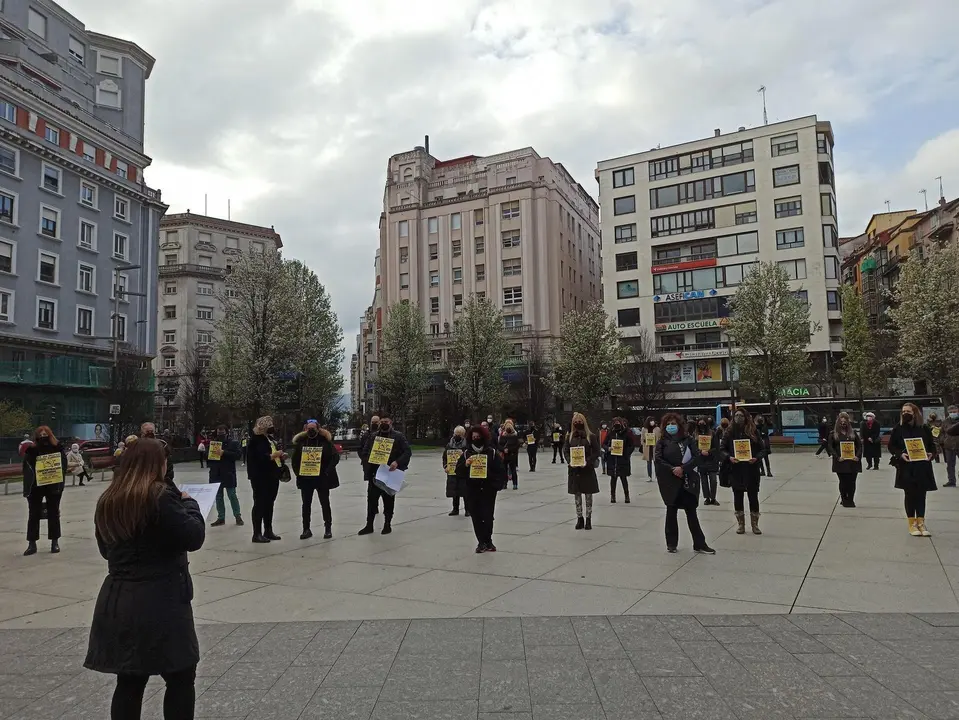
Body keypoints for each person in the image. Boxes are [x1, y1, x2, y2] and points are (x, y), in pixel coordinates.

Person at [84, 438, 205, 719]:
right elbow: (193, 536)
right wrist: (190, 505)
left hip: (119, 598)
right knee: (180, 675)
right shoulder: (159, 496)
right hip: (161, 599)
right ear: (157, 464)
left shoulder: (110, 498)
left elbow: (106, 550)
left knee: (129, 680)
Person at [654, 412, 715, 554]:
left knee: (691, 513)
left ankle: (699, 543)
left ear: (679, 425)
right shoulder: (662, 441)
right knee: (671, 512)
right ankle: (671, 543)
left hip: (687, 480)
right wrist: (672, 469)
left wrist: (683, 469)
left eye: (673, 424)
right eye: (668, 424)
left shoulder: (687, 439)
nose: (671, 426)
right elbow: (658, 459)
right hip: (670, 481)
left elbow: (697, 456)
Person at [889, 402, 937, 537]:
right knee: (910, 495)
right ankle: (912, 523)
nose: (905, 414)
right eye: (903, 411)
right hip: (906, 466)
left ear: (915, 413)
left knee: (921, 495)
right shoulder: (898, 429)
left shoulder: (924, 428)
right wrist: (900, 454)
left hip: (922, 466)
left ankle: (921, 522)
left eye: (908, 411)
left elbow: (932, 446)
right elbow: (891, 446)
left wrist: (931, 454)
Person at [455, 425, 506, 552]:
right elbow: (458, 471)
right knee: (476, 517)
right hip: (472, 490)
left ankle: (488, 540)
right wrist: (466, 464)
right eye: (474, 437)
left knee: (488, 517)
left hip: (488, 490)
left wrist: (494, 483)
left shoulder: (492, 453)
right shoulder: (466, 453)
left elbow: (500, 471)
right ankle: (481, 542)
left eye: (478, 437)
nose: (476, 439)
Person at [358, 417, 411, 535]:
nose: (383, 424)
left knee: (388, 500)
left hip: (390, 473)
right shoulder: (373, 436)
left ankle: (387, 524)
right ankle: (369, 525)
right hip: (375, 473)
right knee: (371, 501)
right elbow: (364, 451)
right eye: (381, 422)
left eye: (386, 422)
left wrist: (397, 462)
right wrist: (369, 461)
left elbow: (407, 452)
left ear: (391, 423)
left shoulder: (398, 436)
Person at [292, 419, 340, 540]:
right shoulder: (301, 442)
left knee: (325, 503)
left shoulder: (325, 441)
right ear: (305, 429)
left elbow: (335, 457)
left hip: (322, 478)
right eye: (309, 428)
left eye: (313, 428)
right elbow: (295, 460)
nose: (311, 430)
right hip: (306, 478)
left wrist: (327, 471)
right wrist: (298, 473)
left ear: (318, 429)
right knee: (306, 505)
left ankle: (328, 528)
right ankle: (306, 529)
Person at [721, 408, 765, 536]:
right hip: (736, 468)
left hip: (751, 468)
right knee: (738, 496)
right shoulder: (729, 432)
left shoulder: (753, 431)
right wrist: (729, 457)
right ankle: (741, 524)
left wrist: (756, 458)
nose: (738, 417)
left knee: (753, 496)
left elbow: (763, 449)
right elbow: (722, 449)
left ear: (746, 417)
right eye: (736, 415)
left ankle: (755, 524)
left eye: (741, 415)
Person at [23, 426, 66, 556]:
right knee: (33, 514)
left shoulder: (57, 447)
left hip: (53, 485)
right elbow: (26, 466)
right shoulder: (31, 449)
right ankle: (32, 543)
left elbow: (63, 464)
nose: (43, 436)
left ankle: (54, 542)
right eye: (40, 434)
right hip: (35, 486)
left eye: (45, 434)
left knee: (54, 513)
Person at [247, 416, 287, 543]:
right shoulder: (255, 440)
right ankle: (256, 533)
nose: (271, 428)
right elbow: (259, 458)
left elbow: (272, 454)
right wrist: (272, 456)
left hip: (272, 474)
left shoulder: (269, 439)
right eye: (269, 426)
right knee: (259, 503)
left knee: (270, 503)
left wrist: (280, 457)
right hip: (260, 476)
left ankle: (268, 530)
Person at [564, 412, 601, 530]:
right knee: (577, 495)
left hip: (587, 469)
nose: (577, 423)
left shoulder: (591, 436)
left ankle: (588, 518)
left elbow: (597, 451)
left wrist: (588, 461)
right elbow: (565, 451)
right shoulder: (569, 436)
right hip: (575, 470)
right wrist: (570, 461)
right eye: (575, 421)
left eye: (580, 421)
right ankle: (579, 518)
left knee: (588, 495)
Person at [208, 425, 243, 527]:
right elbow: (208, 457)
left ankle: (237, 516)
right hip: (216, 473)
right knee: (218, 497)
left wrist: (224, 452)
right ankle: (221, 517)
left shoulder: (233, 443)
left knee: (232, 495)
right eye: (219, 434)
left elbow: (237, 455)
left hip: (228, 473)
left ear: (226, 433)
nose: (220, 435)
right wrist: (209, 454)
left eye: (222, 433)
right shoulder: (213, 444)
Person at [828, 412, 863, 508]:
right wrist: (837, 456)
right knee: (843, 482)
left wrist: (858, 456)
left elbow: (859, 446)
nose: (843, 423)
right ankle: (844, 499)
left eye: (845, 421)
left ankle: (850, 499)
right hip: (840, 462)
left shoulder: (853, 433)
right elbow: (830, 447)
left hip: (853, 462)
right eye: (841, 421)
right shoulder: (833, 434)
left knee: (852, 482)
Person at [603, 417, 634, 503]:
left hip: (622, 459)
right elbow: (604, 444)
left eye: (618, 423)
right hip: (612, 459)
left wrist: (626, 453)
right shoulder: (610, 433)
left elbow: (631, 445)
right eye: (615, 423)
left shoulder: (626, 433)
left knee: (623, 478)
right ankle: (613, 496)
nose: (617, 424)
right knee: (613, 479)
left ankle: (627, 495)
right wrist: (608, 448)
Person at [443, 426, 469, 516]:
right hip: (452, 471)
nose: (457, 436)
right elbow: (445, 457)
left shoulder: (467, 445)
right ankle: (455, 508)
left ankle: (467, 510)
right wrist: (445, 466)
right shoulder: (449, 445)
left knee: (465, 490)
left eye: (459, 434)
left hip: (463, 471)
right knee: (454, 490)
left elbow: (470, 456)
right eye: (456, 434)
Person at [695, 418, 721, 506]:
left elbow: (717, 447)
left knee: (713, 480)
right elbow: (693, 448)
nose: (701, 425)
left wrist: (709, 452)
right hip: (701, 461)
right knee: (704, 481)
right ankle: (707, 498)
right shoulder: (695, 435)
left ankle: (713, 498)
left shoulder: (712, 433)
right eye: (700, 423)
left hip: (712, 460)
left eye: (703, 423)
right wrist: (700, 452)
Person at [498, 419, 521, 489]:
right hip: (504, 456)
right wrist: (503, 450)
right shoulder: (503, 436)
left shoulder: (514, 436)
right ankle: (505, 483)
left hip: (512, 455)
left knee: (513, 470)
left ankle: (515, 484)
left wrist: (509, 450)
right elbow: (499, 445)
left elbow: (517, 446)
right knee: (504, 470)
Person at [944, 405, 959, 487]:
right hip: (948, 445)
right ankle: (951, 481)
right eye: (951, 412)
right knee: (950, 464)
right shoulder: (945, 421)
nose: (953, 413)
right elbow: (942, 432)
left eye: (954, 412)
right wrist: (943, 440)